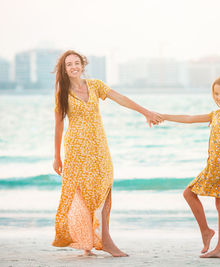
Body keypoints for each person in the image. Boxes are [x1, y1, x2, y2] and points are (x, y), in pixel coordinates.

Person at [52, 50, 161, 257]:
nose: (73, 67)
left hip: (99, 146)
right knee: (83, 193)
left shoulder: (95, 85)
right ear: (64, 70)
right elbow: (58, 127)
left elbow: (121, 98)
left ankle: (102, 239)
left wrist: (145, 112)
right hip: (76, 149)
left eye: (76, 63)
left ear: (82, 65)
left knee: (103, 187)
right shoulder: (62, 94)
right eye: (69, 64)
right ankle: (89, 244)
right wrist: (57, 157)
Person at [160, 75, 220, 258]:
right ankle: (208, 233)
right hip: (213, 167)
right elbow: (189, 118)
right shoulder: (217, 114)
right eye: (216, 93)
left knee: (219, 204)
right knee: (192, 194)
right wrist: (164, 116)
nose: (219, 97)